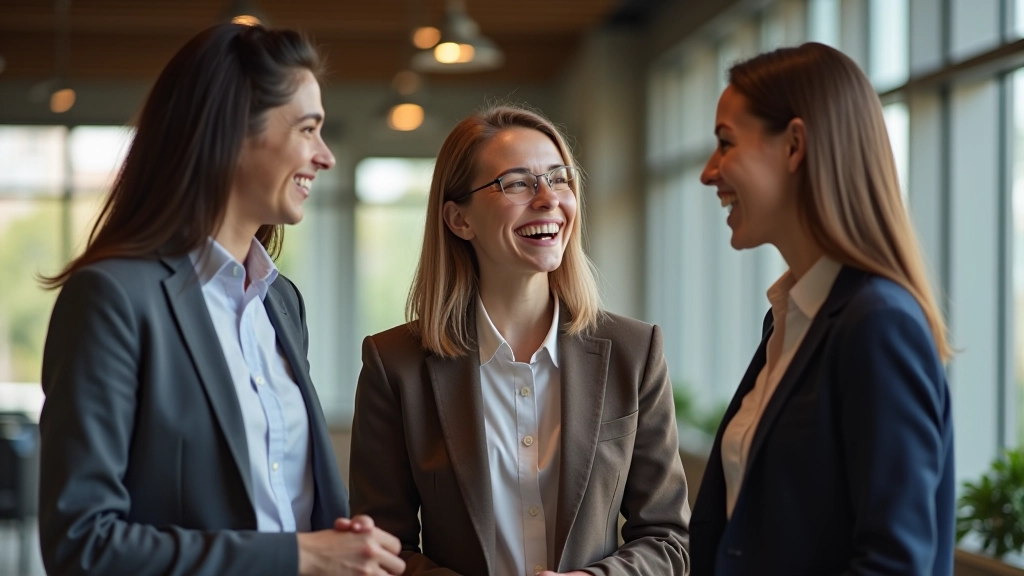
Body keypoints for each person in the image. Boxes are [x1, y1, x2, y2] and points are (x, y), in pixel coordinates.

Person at [38, 23, 404, 576]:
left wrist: (340, 541)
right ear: (232, 130)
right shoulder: (111, 298)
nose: (325, 156)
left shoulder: (281, 301)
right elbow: (82, 545)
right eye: (308, 129)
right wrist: (298, 556)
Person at [348, 105, 691, 575]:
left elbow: (667, 539)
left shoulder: (635, 351)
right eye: (517, 183)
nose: (549, 199)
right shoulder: (395, 365)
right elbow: (382, 551)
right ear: (458, 220)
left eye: (559, 178)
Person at [691, 42, 954, 575]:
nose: (708, 172)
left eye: (725, 143)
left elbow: (895, 564)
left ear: (793, 146)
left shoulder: (877, 324)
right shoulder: (791, 319)